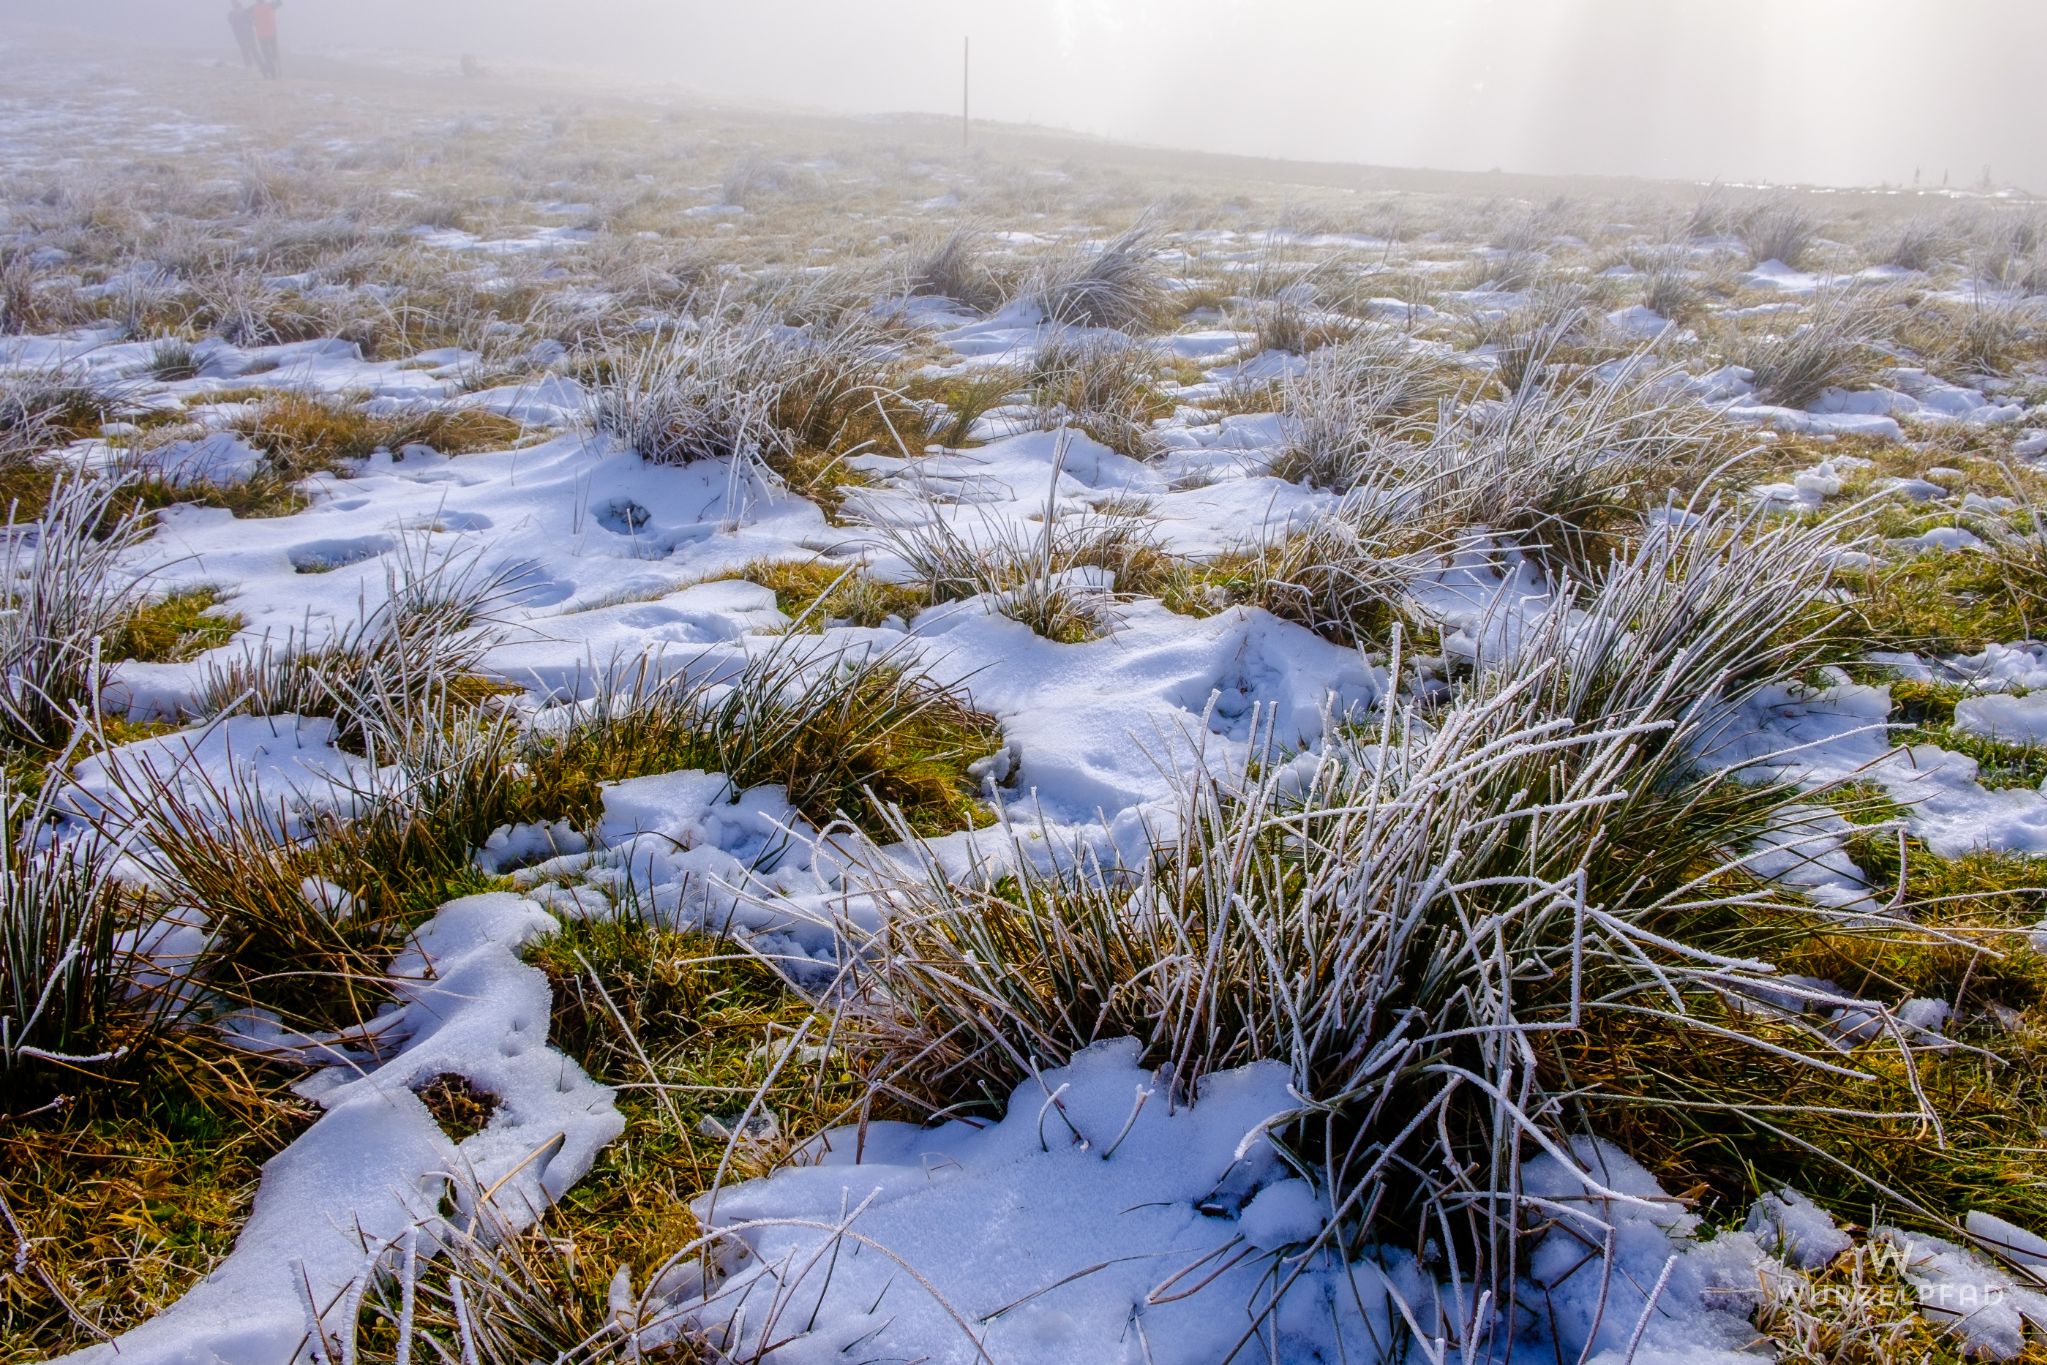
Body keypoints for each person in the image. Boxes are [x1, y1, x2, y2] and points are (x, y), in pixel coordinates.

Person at [250, 0, 282, 79]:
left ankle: (268, 71)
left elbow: (245, 16)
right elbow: (280, 2)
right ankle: (271, 72)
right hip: (272, 33)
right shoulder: (270, 5)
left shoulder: (253, 8)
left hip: (261, 35)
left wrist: (253, 22)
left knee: (267, 55)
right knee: (274, 54)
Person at [227, 1, 259, 69]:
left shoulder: (233, 14)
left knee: (248, 51)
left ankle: (251, 65)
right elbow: (252, 21)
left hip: (243, 35)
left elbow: (252, 21)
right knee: (251, 50)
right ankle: (255, 65)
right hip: (246, 35)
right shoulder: (234, 13)